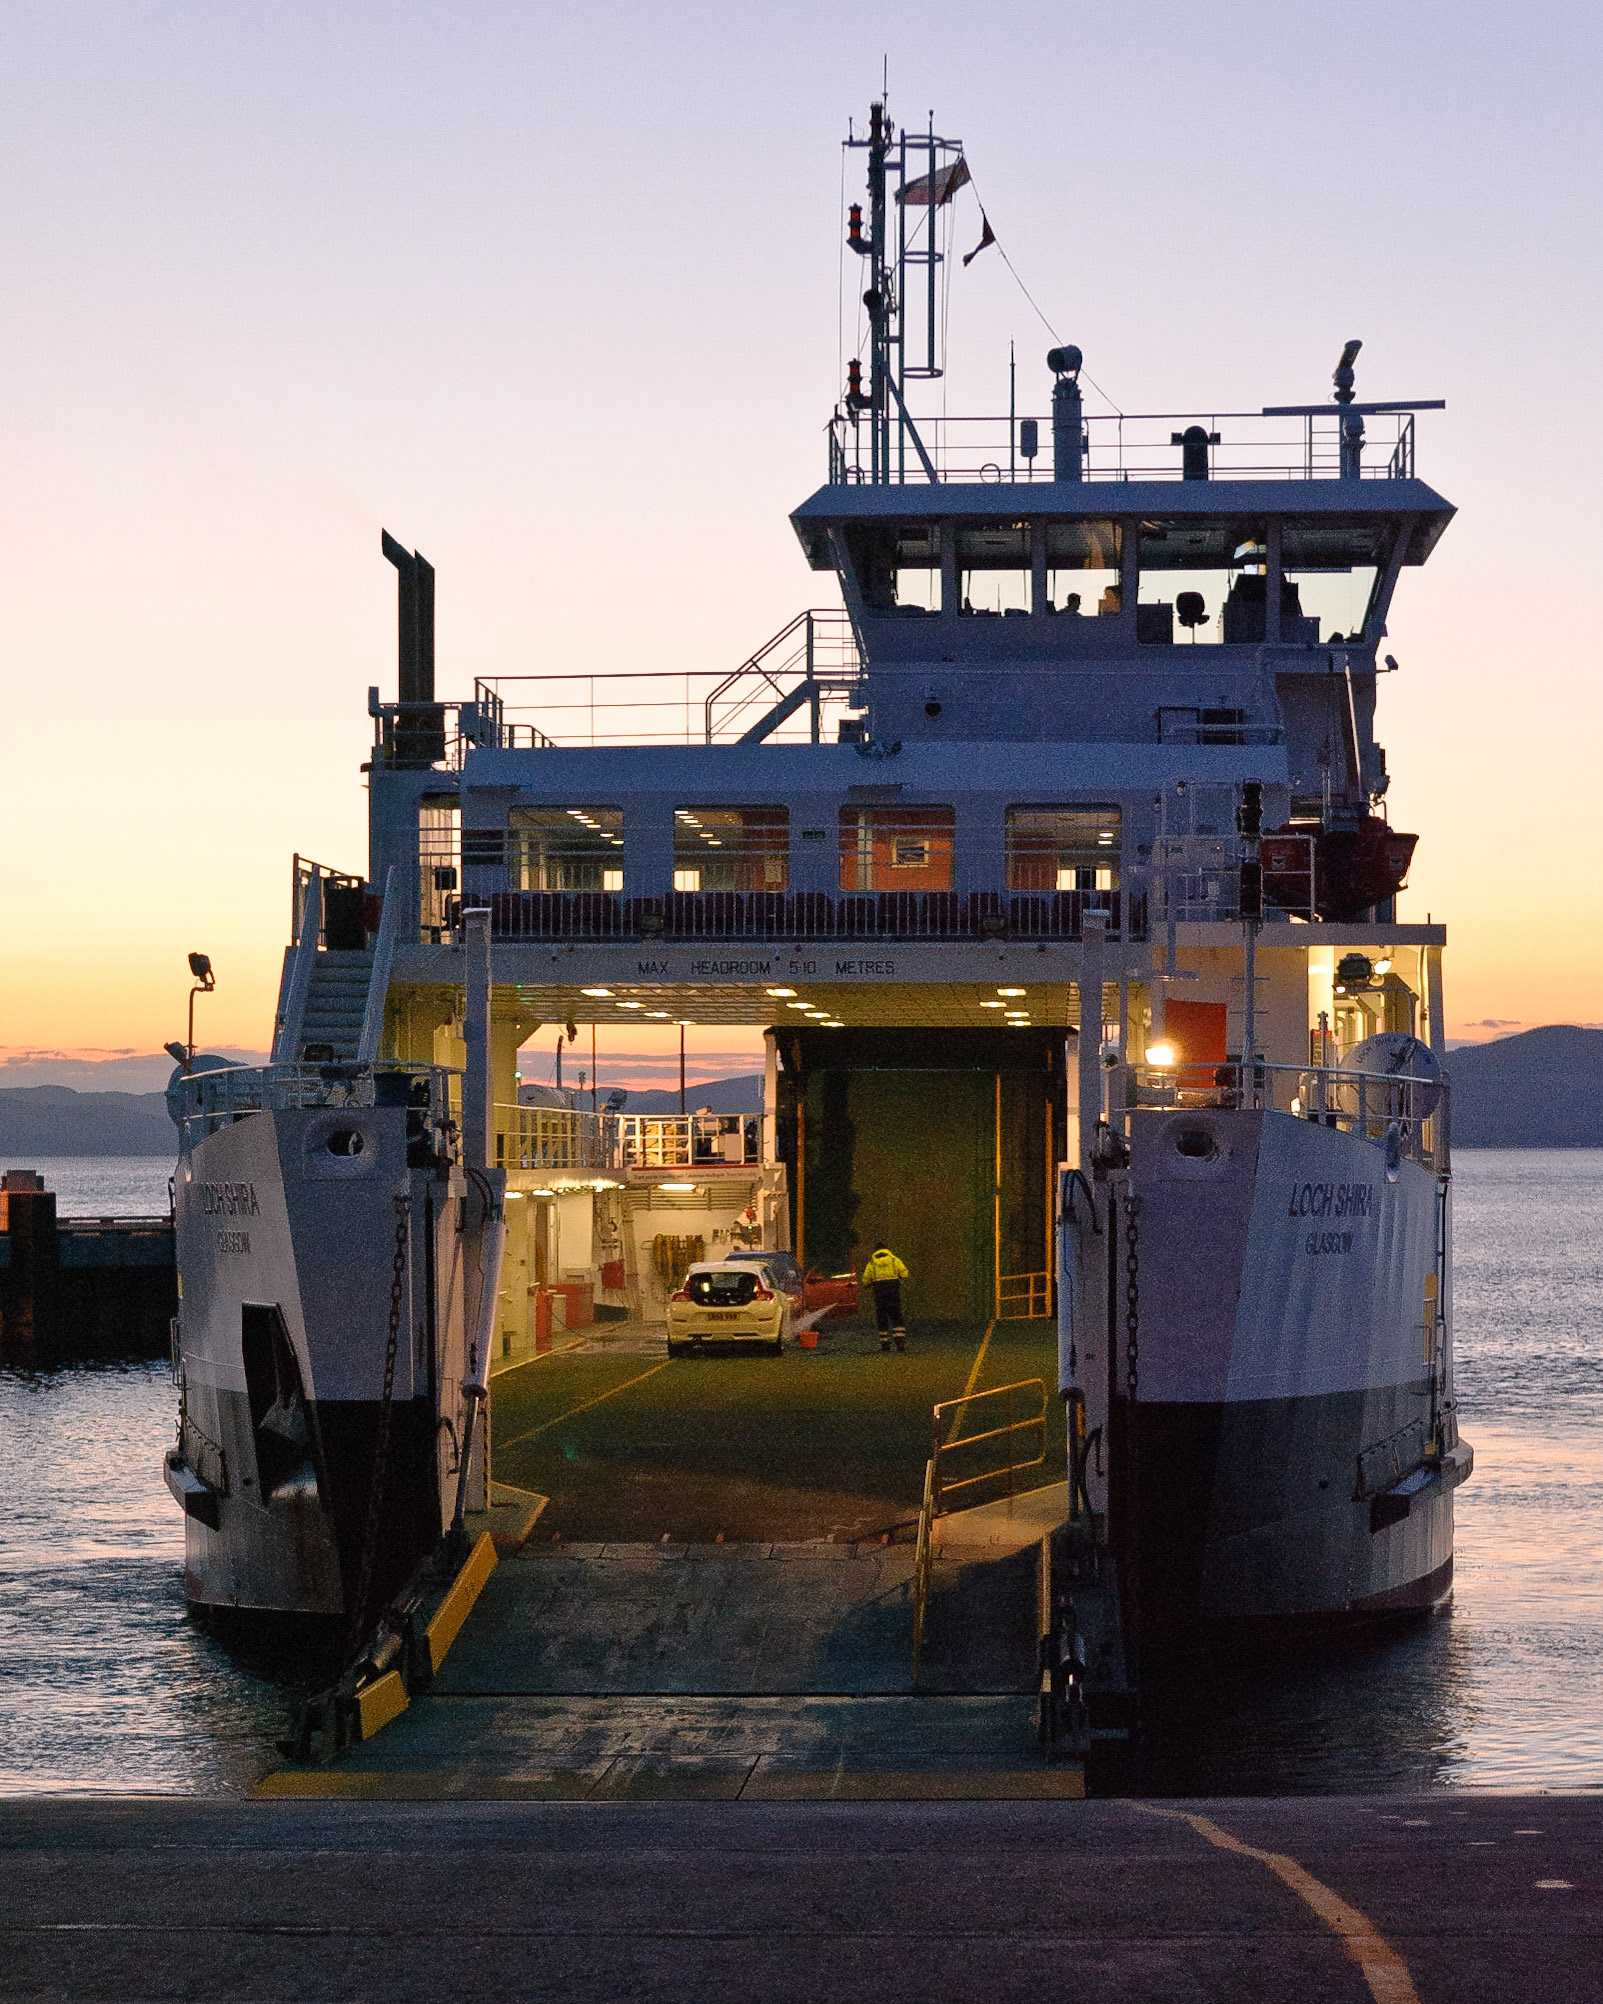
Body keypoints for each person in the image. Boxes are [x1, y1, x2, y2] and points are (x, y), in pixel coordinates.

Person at [861, 1245, 910, 1352]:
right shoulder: (894, 1260)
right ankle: (900, 1343)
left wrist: (870, 1283)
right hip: (893, 1289)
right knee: (896, 1315)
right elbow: (904, 1273)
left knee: (882, 1317)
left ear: (876, 1251)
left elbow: (865, 1280)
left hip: (879, 1291)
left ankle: (885, 1345)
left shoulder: (872, 1263)